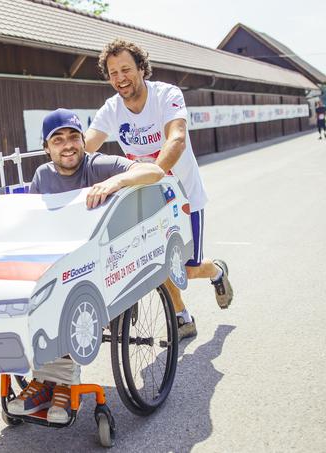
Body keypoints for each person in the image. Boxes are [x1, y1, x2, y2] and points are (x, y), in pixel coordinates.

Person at [6, 108, 165, 423]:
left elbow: (155, 173)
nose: (68, 145)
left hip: (103, 265)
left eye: (74, 137)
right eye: (58, 139)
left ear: (83, 140)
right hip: (60, 260)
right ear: (47, 147)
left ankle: (63, 383)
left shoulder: (100, 165)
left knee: (63, 294)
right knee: (36, 291)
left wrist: (114, 183)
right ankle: (42, 381)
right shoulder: (42, 176)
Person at [84, 39, 234, 340]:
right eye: (113, 73)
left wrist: (154, 173)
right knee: (156, 264)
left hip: (184, 194)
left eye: (126, 69)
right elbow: (88, 145)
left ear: (141, 68)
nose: (120, 78)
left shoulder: (167, 95)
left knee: (186, 269)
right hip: (146, 197)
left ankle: (215, 271)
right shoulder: (111, 109)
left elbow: (176, 139)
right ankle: (182, 316)